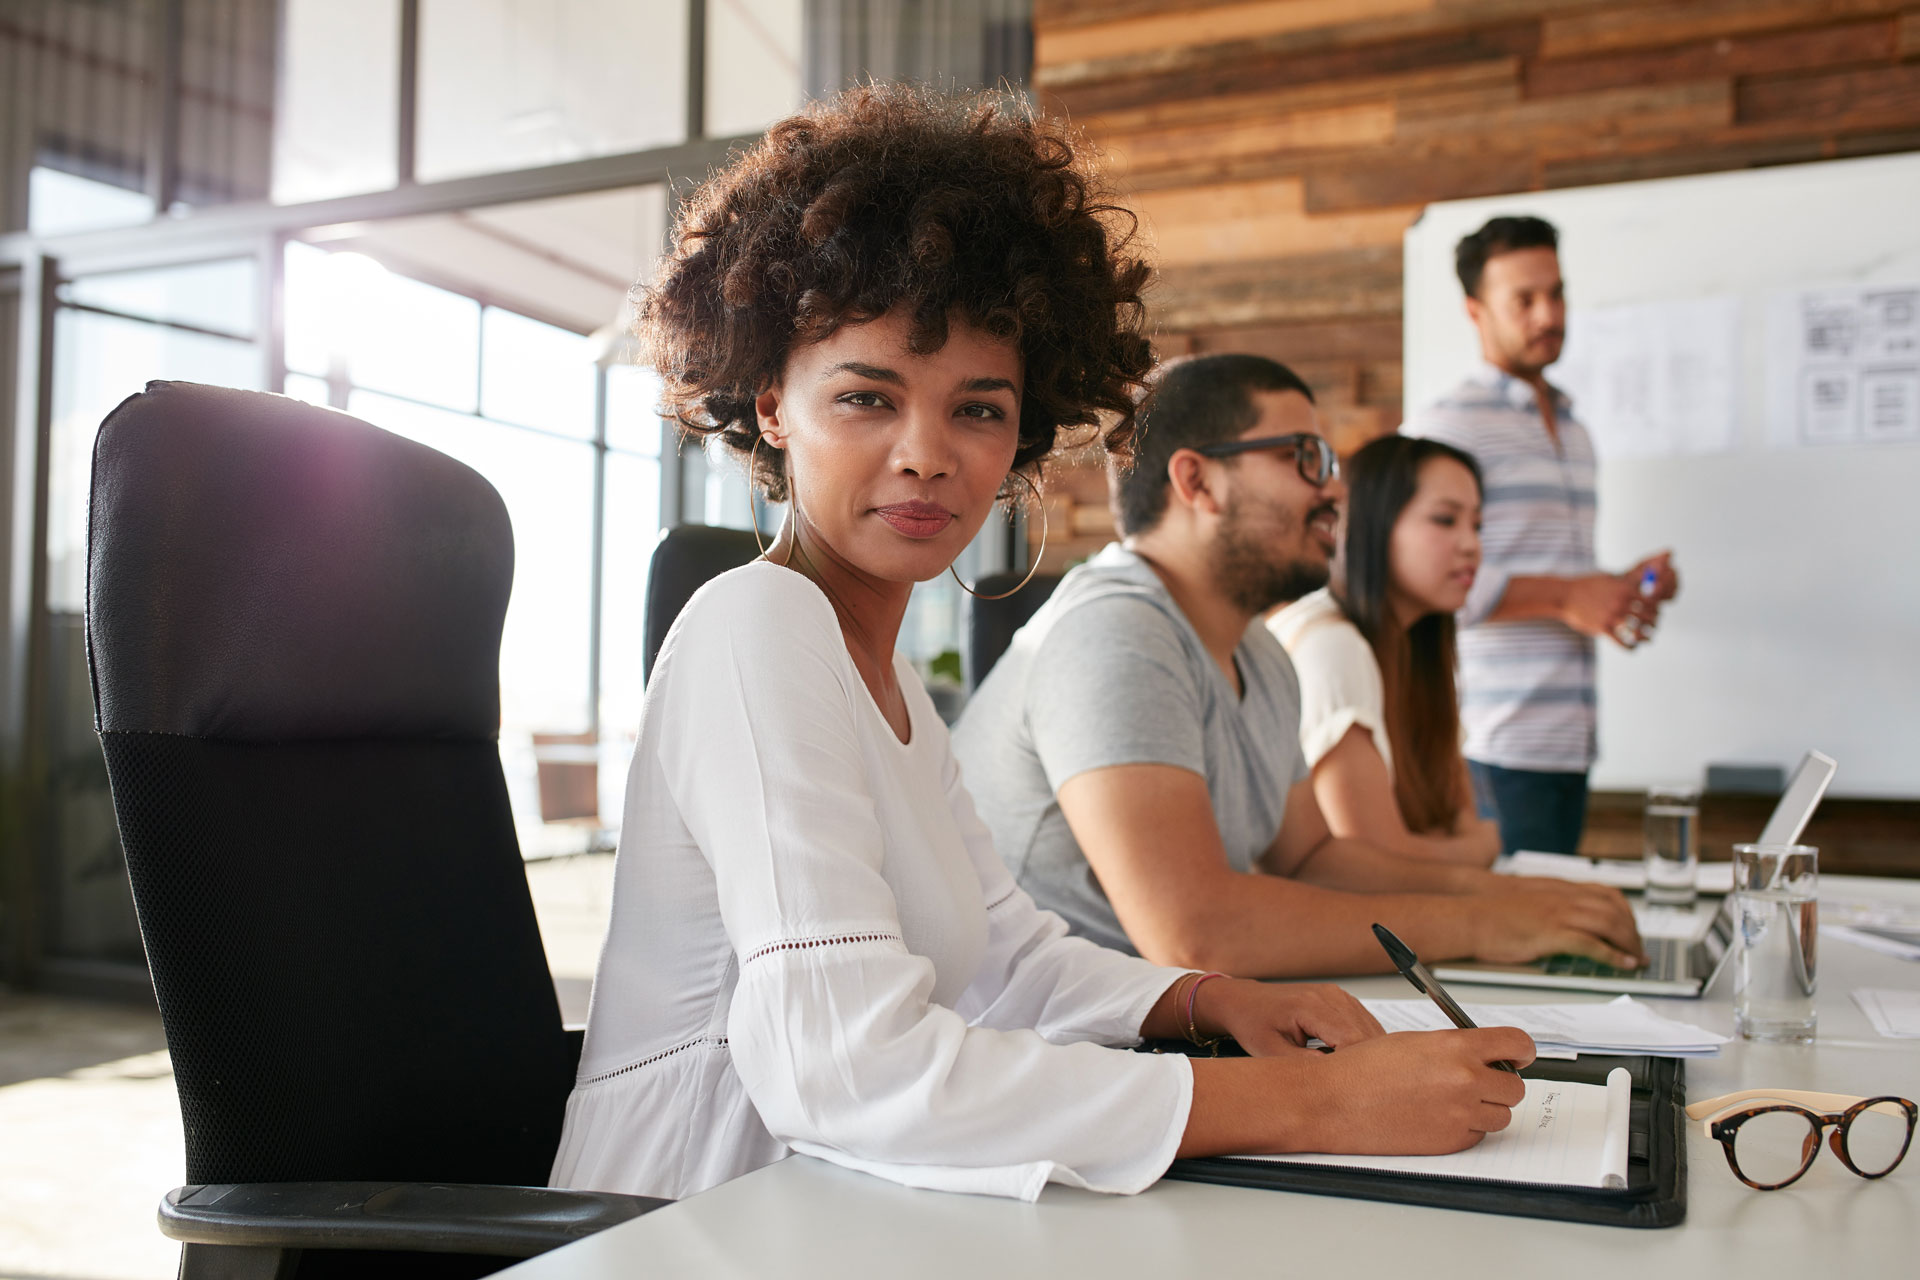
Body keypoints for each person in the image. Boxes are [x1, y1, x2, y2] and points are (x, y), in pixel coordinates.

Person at [550, 86, 1535, 1206]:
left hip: (840, 1201)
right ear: (773, 403)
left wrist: (1205, 1000)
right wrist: (1319, 1102)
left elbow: (1006, 955)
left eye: (977, 409)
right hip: (690, 1216)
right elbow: (844, 1065)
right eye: (868, 396)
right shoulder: (754, 626)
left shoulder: (893, 680)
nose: (927, 453)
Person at [951, 353, 1645, 980]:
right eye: (1305, 458)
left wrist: (1515, 896)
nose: (1338, 493)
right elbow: (1196, 933)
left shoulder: (1260, 652)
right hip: (1050, 1059)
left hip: (1153, 1034)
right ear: (1198, 481)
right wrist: (1482, 924)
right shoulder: (1113, 632)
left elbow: (1313, 860)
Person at [1402, 216, 1680, 856]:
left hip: (1572, 743)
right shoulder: (1448, 426)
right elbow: (1418, 580)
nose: (1547, 314)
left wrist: (1624, 586)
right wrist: (1563, 598)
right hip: (1494, 748)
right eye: (1523, 299)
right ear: (1476, 312)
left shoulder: (1576, 428)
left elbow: (1554, 573)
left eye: (1556, 293)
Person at [1270, 434, 1501, 867]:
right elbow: (1375, 861)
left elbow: (1455, 816)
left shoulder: (1416, 643)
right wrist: (1481, 848)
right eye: (1445, 520)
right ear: (1373, 524)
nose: (1472, 545)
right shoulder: (1331, 643)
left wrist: (1467, 844)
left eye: (1477, 525)